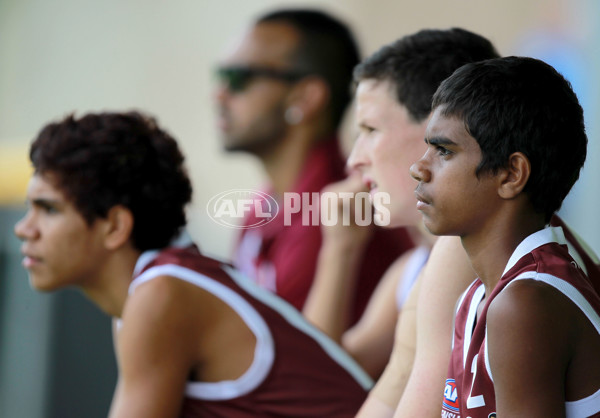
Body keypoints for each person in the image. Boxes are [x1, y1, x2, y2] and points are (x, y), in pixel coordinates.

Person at [14, 111, 373, 417]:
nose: (23, 229)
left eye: (48, 209)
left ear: (115, 226)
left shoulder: (163, 292)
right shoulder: (155, 288)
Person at [303, 28, 499, 389]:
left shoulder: (467, 252)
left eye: (371, 130)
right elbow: (319, 383)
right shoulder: (412, 269)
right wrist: (340, 249)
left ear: (440, 131)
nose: (354, 159)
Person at [409, 56, 600, 416]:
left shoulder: (526, 303)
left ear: (512, 174)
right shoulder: (476, 298)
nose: (418, 167)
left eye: (444, 151)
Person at [214, 8, 413, 320]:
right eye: (220, 76)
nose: (219, 94)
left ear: (305, 98)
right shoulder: (268, 203)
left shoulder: (344, 213)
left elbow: (297, 362)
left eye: (239, 78)